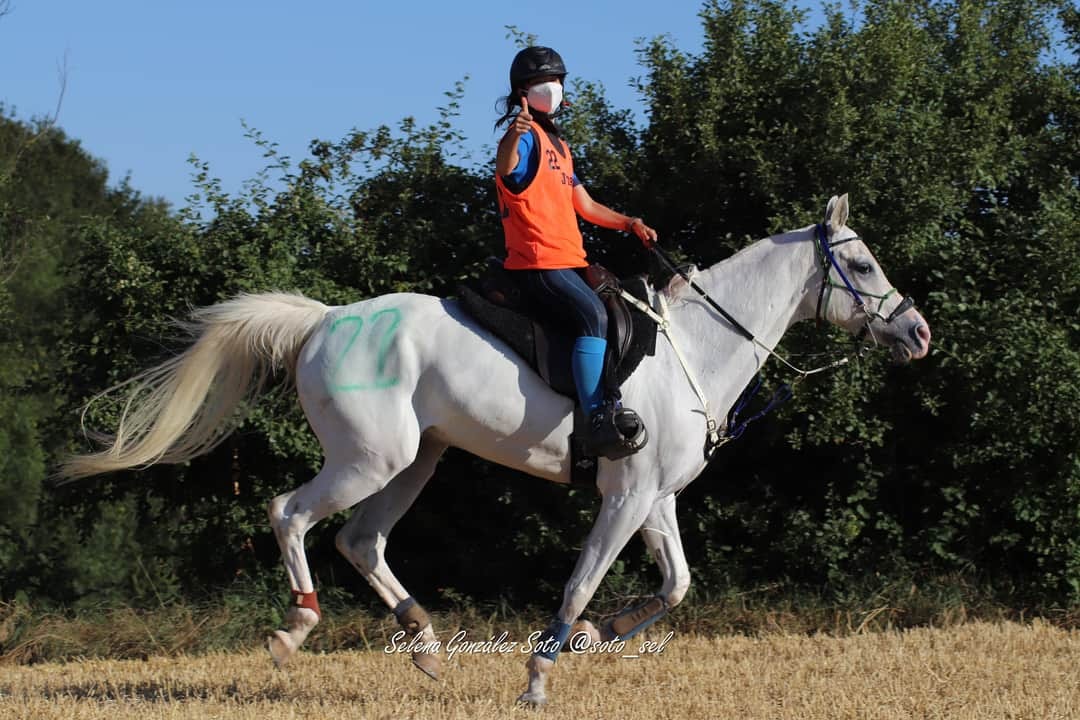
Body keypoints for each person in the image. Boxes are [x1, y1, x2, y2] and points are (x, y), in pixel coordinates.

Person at [494, 46, 658, 460]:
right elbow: (506, 168)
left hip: (569, 260)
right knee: (594, 315)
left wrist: (628, 222)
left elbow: (584, 205)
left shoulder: (561, 148)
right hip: (537, 262)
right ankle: (597, 417)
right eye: (542, 82)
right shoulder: (524, 138)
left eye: (557, 80)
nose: (554, 87)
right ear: (522, 92)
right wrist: (514, 133)